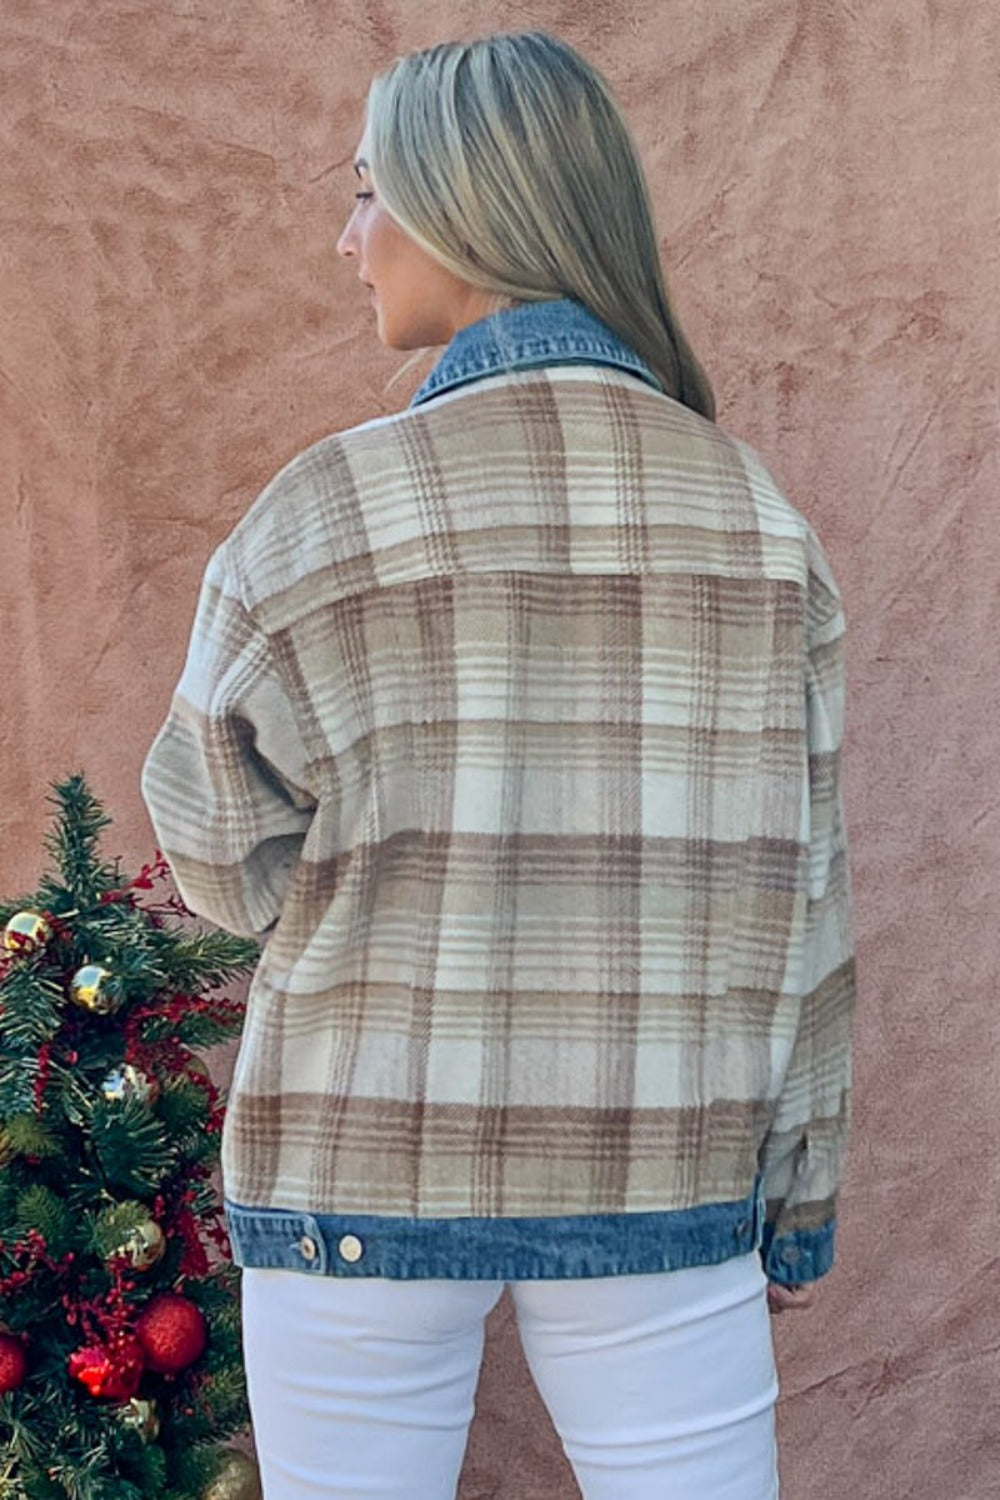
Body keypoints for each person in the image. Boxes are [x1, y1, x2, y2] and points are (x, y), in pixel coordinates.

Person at [142, 30, 854, 1500]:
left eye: (366, 193)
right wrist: (799, 1192)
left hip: (359, 1165)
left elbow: (214, 849)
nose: (347, 241)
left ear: (464, 207)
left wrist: (385, 887)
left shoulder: (325, 509)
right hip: (662, 1167)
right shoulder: (752, 517)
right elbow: (808, 900)